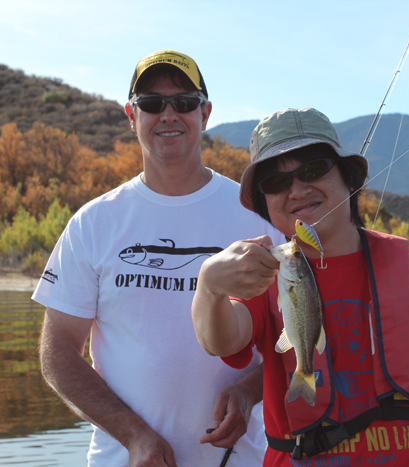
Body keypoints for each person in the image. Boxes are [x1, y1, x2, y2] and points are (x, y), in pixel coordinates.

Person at [191, 107, 409, 466]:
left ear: (349, 178)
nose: (297, 190)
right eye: (275, 182)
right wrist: (209, 287)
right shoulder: (265, 274)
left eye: (313, 169)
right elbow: (220, 341)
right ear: (265, 204)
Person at [34, 50, 282, 467]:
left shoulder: (258, 215)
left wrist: (249, 391)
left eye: (183, 102)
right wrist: (134, 436)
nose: (169, 115)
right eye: (152, 103)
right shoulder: (92, 223)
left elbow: (292, 340)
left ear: (205, 114)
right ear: (132, 116)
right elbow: (57, 354)